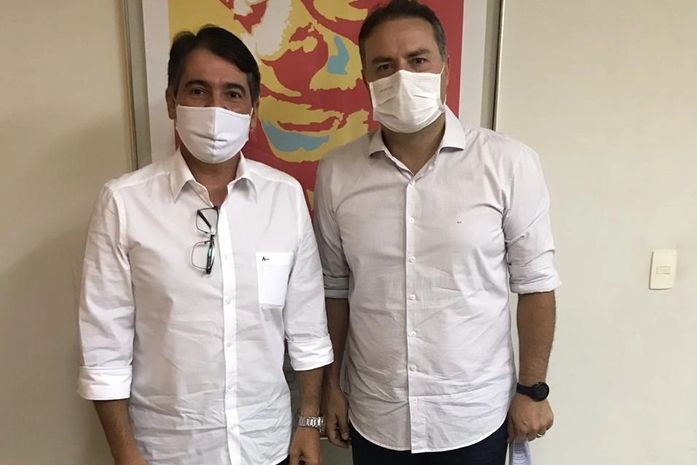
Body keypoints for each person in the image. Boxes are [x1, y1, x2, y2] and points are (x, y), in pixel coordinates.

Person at [313, 1, 561, 464]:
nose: (401, 77)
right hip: (376, 415)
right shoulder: (336, 173)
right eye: (384, 65)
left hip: (475, 415)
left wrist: (533, 390)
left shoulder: (507, 163)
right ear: (365, 78)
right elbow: (334, 289)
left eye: (417, 60)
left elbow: (536, 285)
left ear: (445, 68)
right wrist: (332, 386)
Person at [77, 26, 333, 465]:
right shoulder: (124, 203)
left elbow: (307, 328)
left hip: (265, 445)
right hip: (168, 449)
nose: (216, 108)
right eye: (198, 91)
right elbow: (104, 348)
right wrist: (124, 453)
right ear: (171, 102)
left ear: (253, 110)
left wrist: (308, 421)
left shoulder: (284, 198)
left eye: (233, 94)